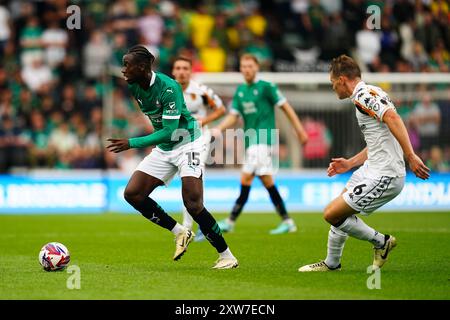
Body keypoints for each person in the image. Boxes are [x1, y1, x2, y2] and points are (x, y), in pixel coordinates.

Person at [106, 45, 238, 269]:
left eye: (127, 65)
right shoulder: (135, 88)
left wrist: (132, 143)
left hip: (188, 144)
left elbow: (169, 130)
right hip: (165, 149)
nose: (123, 70)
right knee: (133, 194)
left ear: (142, 67)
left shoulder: (169, 88)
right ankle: (179, 231)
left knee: (193, 203)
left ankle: (227, 256)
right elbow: (162, 131)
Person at [298, 55, 430, 272]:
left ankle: (381, 241)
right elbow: (379, 141)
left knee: (331, 214)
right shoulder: (372, 92)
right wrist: (350, 163)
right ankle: (332, 263)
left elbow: (394, 119)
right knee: (340, 210)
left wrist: (410, 155)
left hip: (386, 174)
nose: (333, 89)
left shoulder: (363, 97)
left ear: (342, 79)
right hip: (371, 168)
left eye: (332, 83)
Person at [214, 53, 308, 235]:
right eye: (244, 66)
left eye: (250, 66)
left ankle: (230, 221)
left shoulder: (266, 87)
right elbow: (233, 116)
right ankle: (288, 222)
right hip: (251, 142)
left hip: (263, 140)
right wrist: (218, 129)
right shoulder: (241, 91)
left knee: (246, 178)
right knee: (266, 181)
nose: (247, 69)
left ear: (256, 68)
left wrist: (300, 130)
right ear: (240, 69)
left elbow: (285, 106)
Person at [172, 56, 226, 241]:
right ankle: (204, 224)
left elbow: (220, 109)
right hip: (177, 140)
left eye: (185, 68)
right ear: (173, 71)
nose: (181, 71)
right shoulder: (169, 91)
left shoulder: (201, 91)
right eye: (178, 68)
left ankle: (187, 227)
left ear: (190, 71)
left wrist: (204, 121)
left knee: (191, 178)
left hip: (200, 138)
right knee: (189, 183)